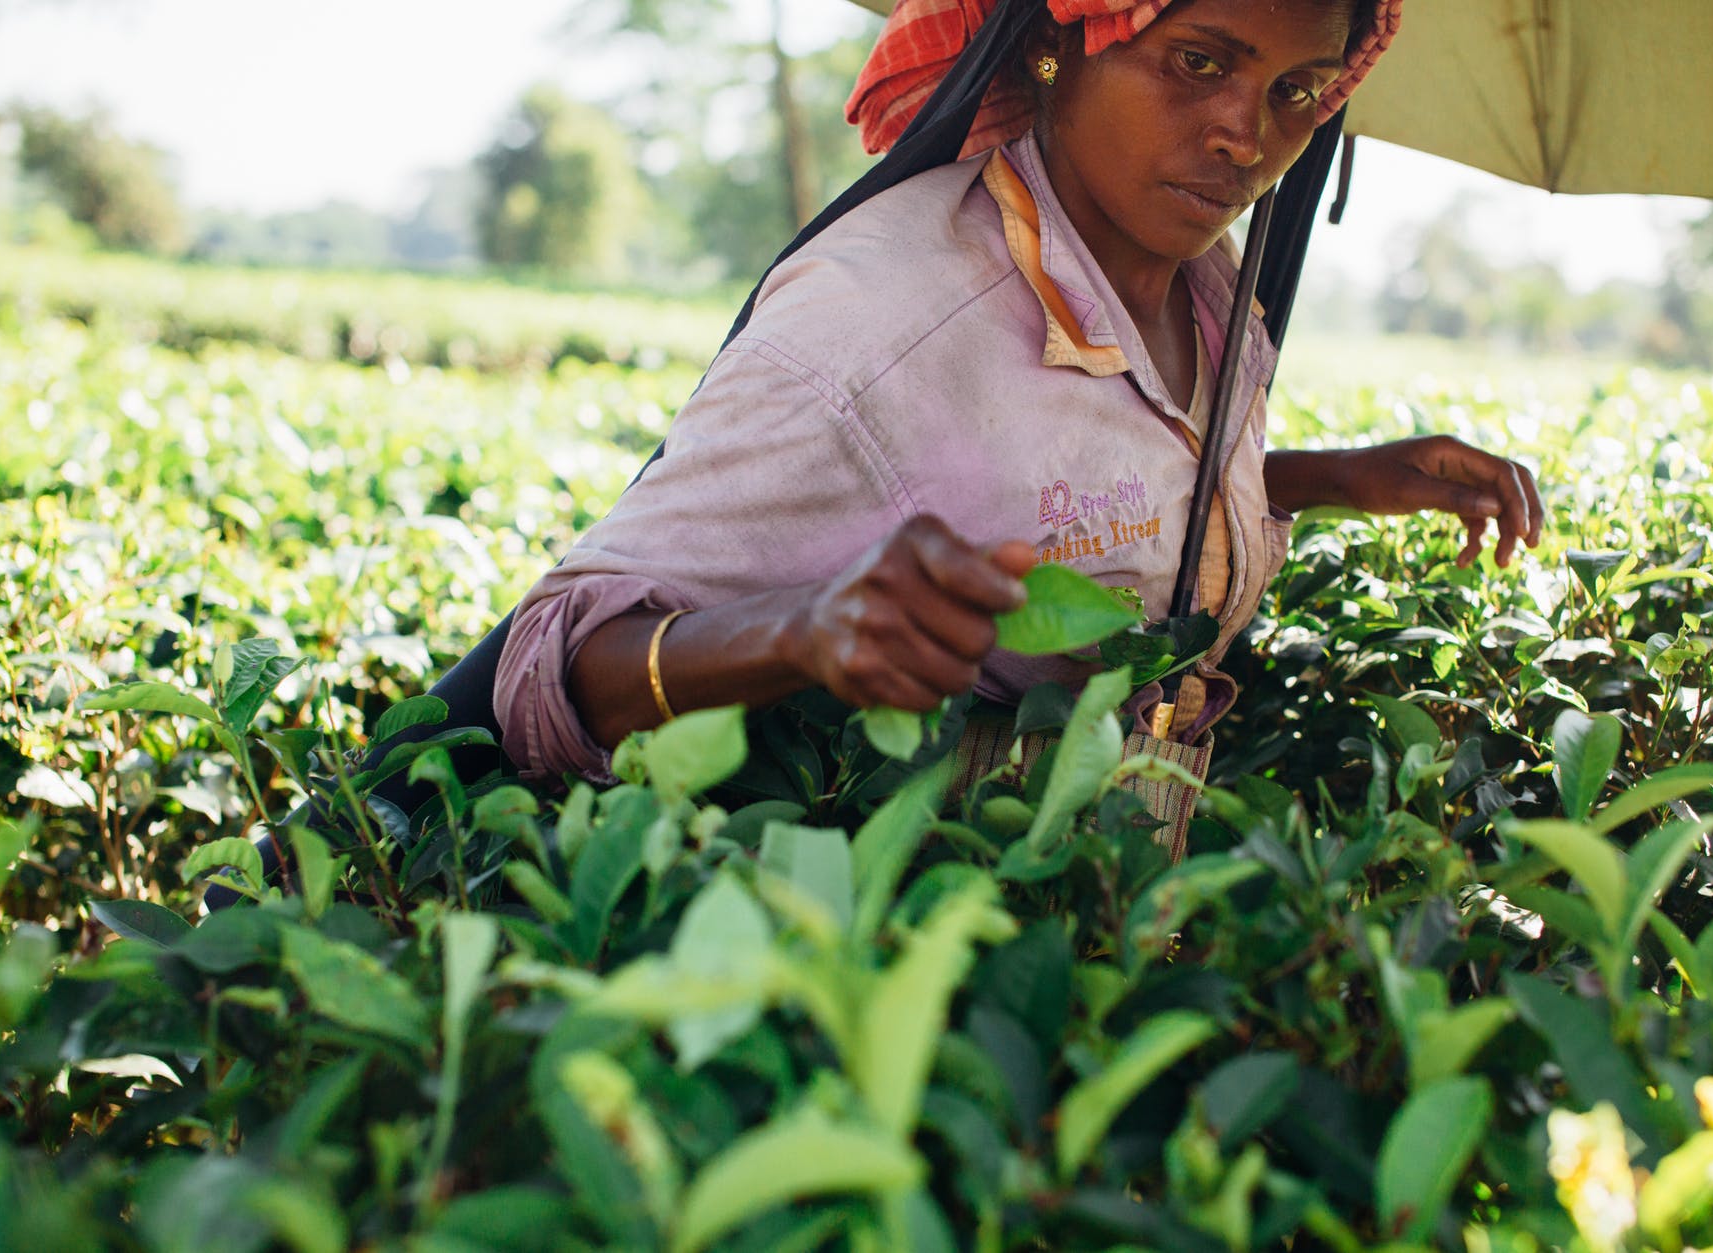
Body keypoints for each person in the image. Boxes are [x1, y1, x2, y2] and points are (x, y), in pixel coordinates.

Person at [493, 0, 1542, 798]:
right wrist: (800, 630)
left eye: (1297, 91)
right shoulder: (883, 318)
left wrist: (1326, 478)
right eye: (1197, 62)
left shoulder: (1208, 287)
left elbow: (1065, 488)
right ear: (1057, 41)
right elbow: (555, 665)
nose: (1246, 136)